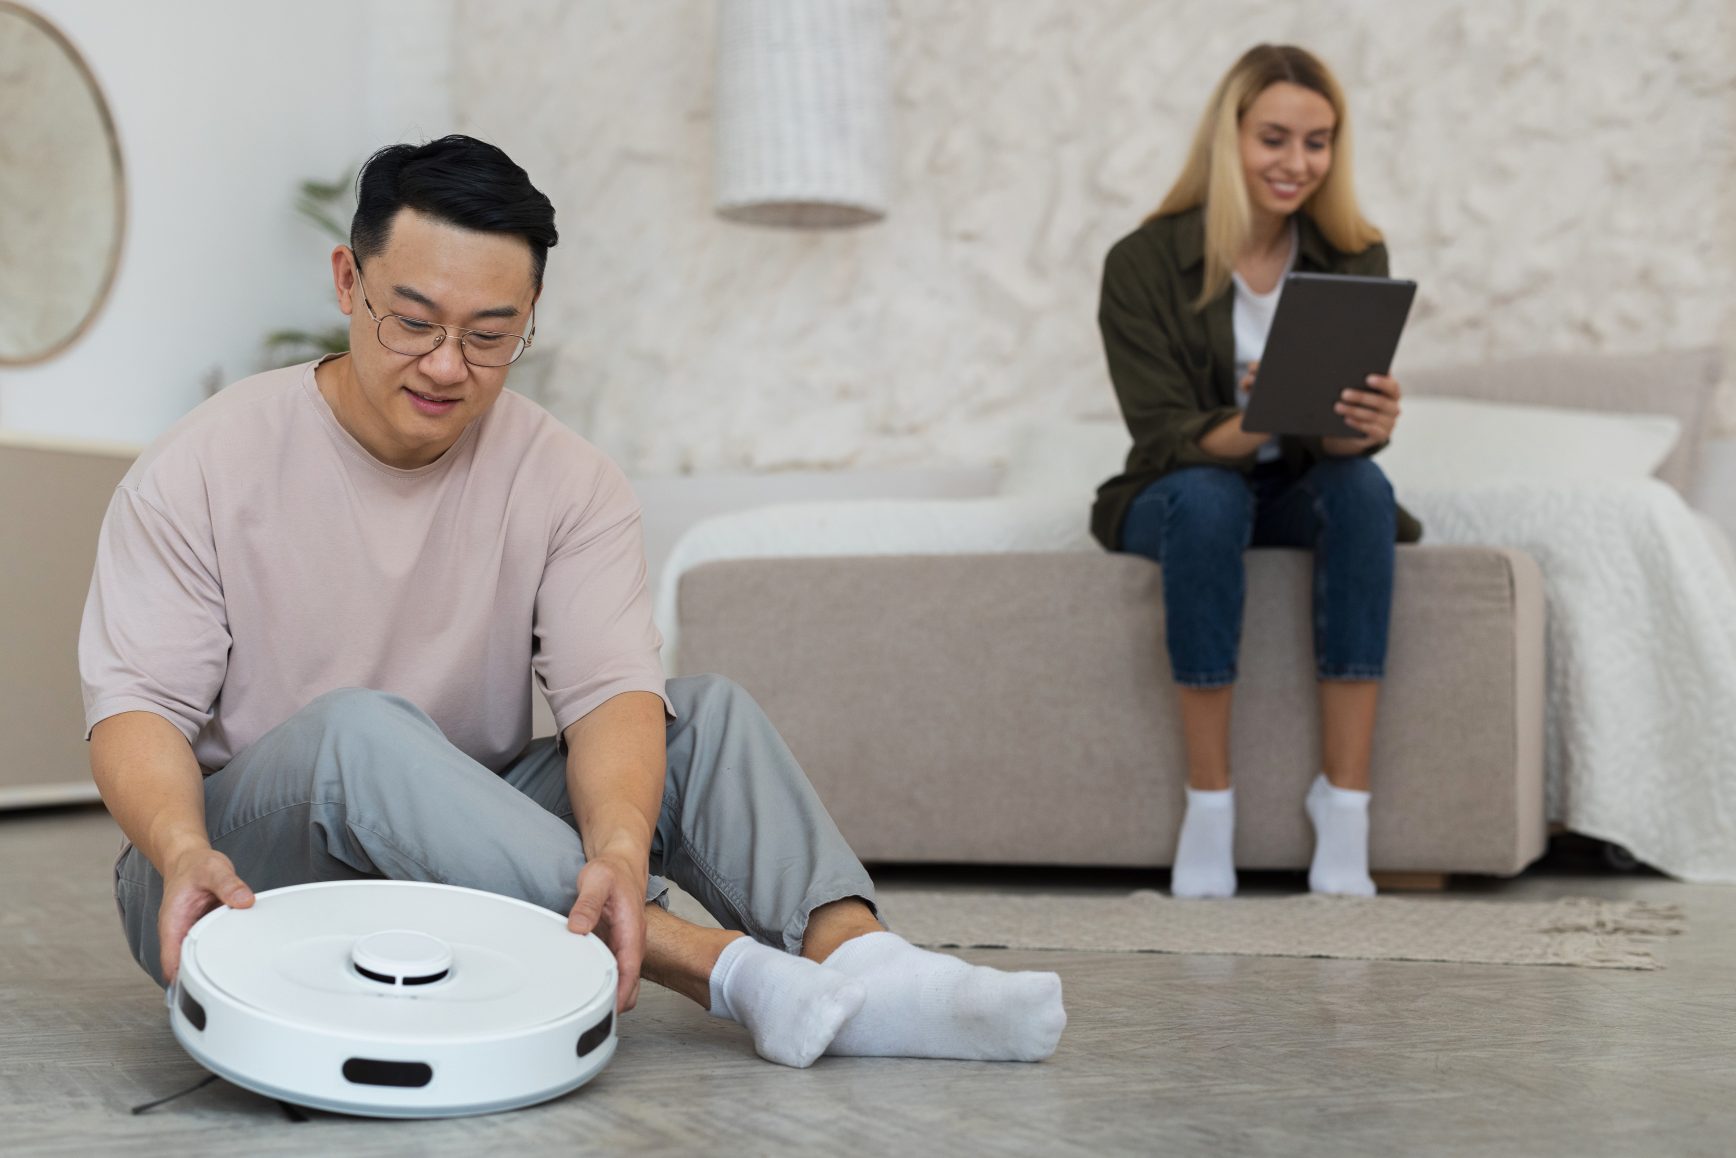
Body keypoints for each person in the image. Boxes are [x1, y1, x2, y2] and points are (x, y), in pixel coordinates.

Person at [81, 135, 1065, 1070]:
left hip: (470, 834)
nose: (444, 366)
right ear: (348, 281)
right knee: (360, 735)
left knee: (703, 720)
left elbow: (607, 694)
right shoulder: (205, 464)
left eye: (488, 335)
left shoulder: (567, 479)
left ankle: (865, 967)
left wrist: (621, 848)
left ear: (531, 320)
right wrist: (178, 848)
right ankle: (714, 966)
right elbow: (137, 712)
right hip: (235, 871)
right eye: (412, 322)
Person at [1090, 45, 1422, 900]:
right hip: (1181, 488)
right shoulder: (1142, 263)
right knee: (1206, 496)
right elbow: (1163, 435)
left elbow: (1334, 446)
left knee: (1364, 491)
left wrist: (1363, 429)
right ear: (1227, 138)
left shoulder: (1355, 253)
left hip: (1299, 486)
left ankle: (1344, 806)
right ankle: (1211, 807)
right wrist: (1258, 415)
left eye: (1317, 143)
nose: (1296, 163)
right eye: (1274, 138)